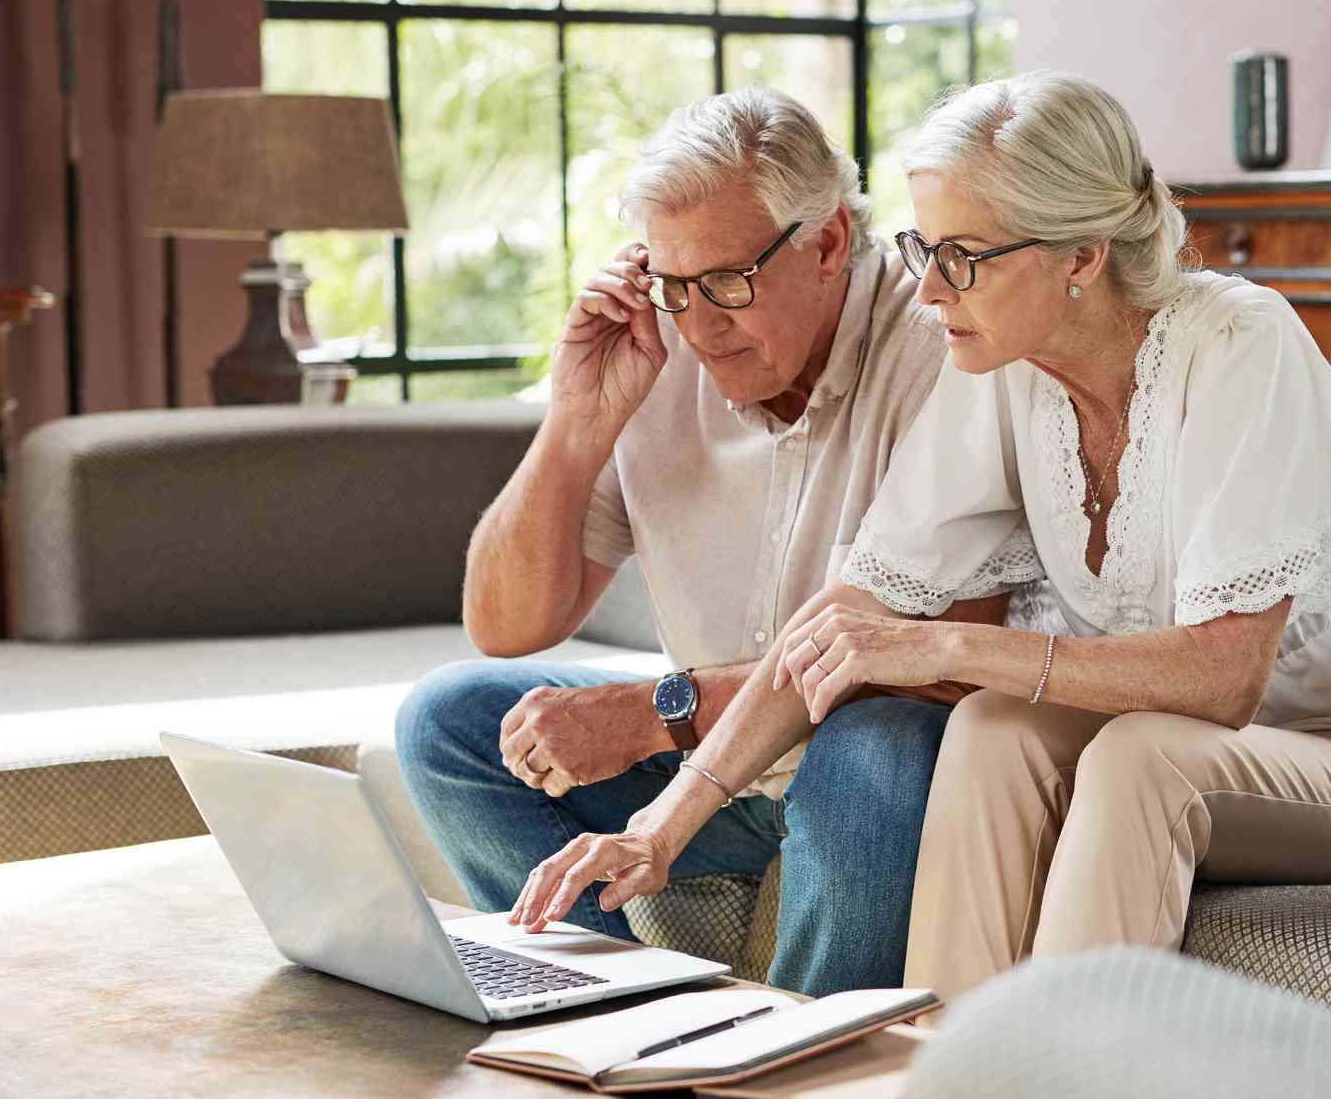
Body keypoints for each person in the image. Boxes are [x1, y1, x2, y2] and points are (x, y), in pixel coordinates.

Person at [508, 71, 1331, 1006]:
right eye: (922, 248)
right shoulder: (1003, 367)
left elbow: (1226, 680)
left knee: (1137, 758)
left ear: (1080, 256)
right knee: (991, 725)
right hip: (1180, 743)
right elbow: (849, 615)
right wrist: (661, 825)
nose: (929, 288)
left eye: (964, 256)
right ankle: (930, 1085)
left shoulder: (1238, 343)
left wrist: (945, 644)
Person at [395, 86, 998, 998]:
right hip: (718, 770)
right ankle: (603, 1018)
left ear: (829, 242)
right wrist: (574, 421)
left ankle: (788, 1068)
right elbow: (507, 626)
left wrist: (656, 713)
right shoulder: (662, 339)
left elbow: (940, 656)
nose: (701, 326)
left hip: (880, 778)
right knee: (451, 721)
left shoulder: (942, 344)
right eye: (674, 286)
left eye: (726, 281)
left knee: (880, 738)